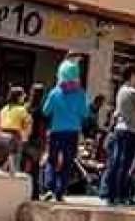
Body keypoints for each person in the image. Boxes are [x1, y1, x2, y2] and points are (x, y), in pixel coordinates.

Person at [41, 58, 90, 201]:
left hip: (56, 131)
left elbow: (46, 111)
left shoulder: (55, 92)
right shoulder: (80, 93)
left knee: (52, 160)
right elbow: (85, 113)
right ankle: (60, 192)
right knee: (68, 162)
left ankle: (49, 187)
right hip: (73, 132)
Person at [104, 65, 135, 204]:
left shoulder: (121, 91)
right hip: (131, 131)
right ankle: (123, 196)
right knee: (127, 165)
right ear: (132, 76)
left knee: (116, 162)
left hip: (119, 130)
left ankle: (111, 195)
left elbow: (117, 112)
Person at [0, 86, 34, 172]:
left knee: (3, 163)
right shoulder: (22, 110)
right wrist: (25, 137)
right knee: (14, 165)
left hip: (1, 138)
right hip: (15, 138)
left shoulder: (4, 109)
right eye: (23, 95)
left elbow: (0, 124)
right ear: (18, 97)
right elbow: (28, 124)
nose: (24, 96)